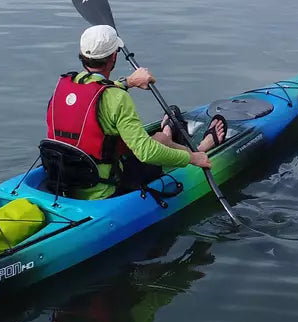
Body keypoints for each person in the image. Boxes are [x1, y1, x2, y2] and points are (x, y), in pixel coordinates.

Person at [45, 24, 226, 200]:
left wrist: (128, 82)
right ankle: (199, 150)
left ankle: (168, 133)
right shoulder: (117, 98)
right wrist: (191, 158)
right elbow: (146, 153)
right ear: (113, 57)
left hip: (65, 181)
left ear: (83, 56)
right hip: (105, 189)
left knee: (159, 139)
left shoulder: (64, 86)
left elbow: (94, 91)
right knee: (158, 142)